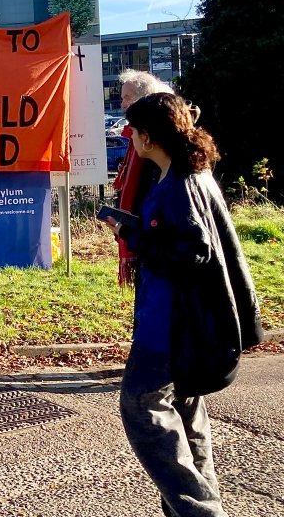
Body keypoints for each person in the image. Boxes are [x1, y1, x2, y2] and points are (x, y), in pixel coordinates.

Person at [104, 93, 263, 517]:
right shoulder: (194, 172)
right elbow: (186, 241)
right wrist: (137, 228)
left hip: (169, 324)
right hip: (190, 322)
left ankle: (202, 512)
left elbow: (192, 252)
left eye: (134, 131)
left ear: (149, 136)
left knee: (143, 407)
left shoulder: (177, 185)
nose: (131, 138)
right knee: (186, 415)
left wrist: (136, 238)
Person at [112, 70, 174, 286]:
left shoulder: (158, 149)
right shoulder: (134, 138)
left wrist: (131, 231)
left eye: (127, 97)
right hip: (144, 240)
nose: (123, 105)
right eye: (122, 98)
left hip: (156, 249)